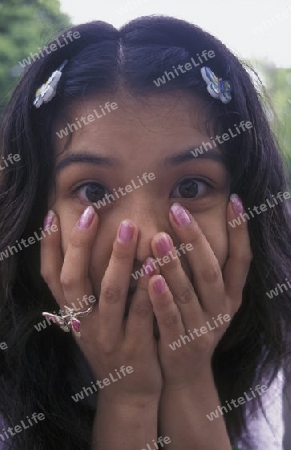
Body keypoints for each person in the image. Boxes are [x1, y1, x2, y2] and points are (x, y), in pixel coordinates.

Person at [0, 15, 290, 450]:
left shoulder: (274, 361)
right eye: (92, 189)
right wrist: (128, 397)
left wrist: (189, 378)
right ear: (37, 216)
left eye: (190, 188)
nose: (145, 239)